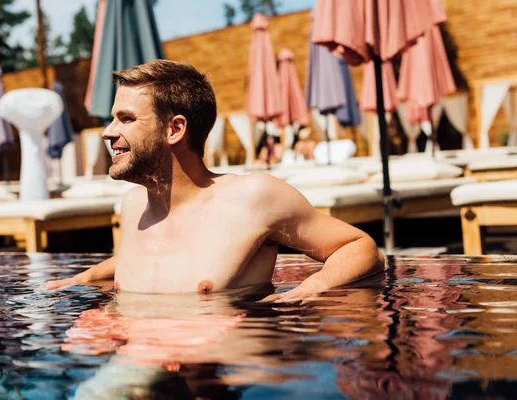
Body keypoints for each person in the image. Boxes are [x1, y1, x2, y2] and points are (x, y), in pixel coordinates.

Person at [46, 60, 384, 301]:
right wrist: (85, 278)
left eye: (126, 119)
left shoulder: (253, 198)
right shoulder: (134, 205)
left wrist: (311, 288)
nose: (108, 131)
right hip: (137, 354)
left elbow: (361, 248)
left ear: (174, 129)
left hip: (212, 370)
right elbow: (164, 253)